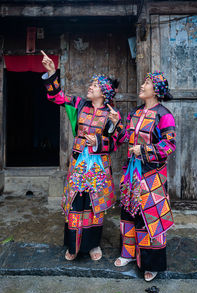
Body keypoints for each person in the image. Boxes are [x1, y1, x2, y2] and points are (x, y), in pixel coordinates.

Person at [41, 50, 121, 261]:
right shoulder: (79, 104)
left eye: (94, 86)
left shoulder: (111, 114)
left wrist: (100, 140)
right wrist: (51, 73)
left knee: (93, 205)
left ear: (103, 93)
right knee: (76, 203)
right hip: (78, 165)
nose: (90, 87)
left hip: (99, 167)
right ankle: (73, 246)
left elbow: (116, 141)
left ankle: (93, 245)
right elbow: (56, 96)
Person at [109, 71, 176, 281]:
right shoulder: (135, 113)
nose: (142, 86)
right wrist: (115, 123)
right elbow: (124, 138)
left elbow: (169, 145)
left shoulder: (164, 115)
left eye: (146, 83)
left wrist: (145, 150)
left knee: (149, 218)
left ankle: (151, 263)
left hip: (151, 175)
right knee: (129, 213)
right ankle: (128, 254)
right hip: (131, 173)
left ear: (156, 90)